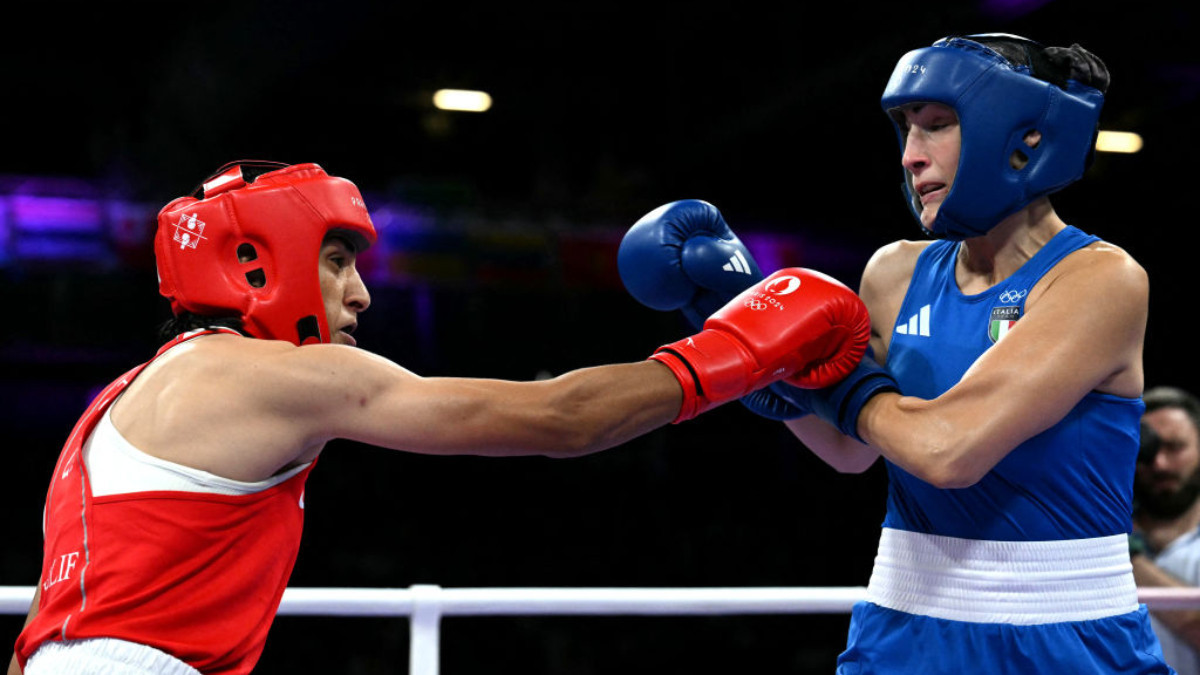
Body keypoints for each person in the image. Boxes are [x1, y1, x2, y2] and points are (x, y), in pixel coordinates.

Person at [6, 160, 872, 675]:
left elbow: (40, 641)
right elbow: (558, 418)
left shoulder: (112, 403)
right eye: (337, 258)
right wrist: (735, 349)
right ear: (253, 265)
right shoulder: (273, 378)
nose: (360, 291)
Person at [620, 34, 1172, 673]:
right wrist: (768, 370)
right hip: (904, 627)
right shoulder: (894, 270)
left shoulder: (1099, 279)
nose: (912, 155)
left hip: (1065, 634)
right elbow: (852, 450)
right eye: (907, 128)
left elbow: (948, 450)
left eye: (937, 126)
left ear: (1022, 138)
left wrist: (826, 377)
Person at [1132, 386, 1200, 673]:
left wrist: (1129, 558)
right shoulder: (1092, 535)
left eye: (1174, 447)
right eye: (1147, 450)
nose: (1159, 463)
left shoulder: (1110, 546)